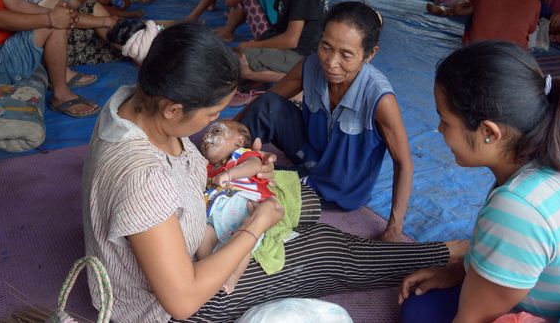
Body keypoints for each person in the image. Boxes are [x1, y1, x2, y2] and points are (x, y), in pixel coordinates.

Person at [82, 22, 465, 323]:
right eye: (213, 115)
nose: (215, 124)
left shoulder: (129, 101)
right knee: (321, 251)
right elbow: (182, 302)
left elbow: (189, 174)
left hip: (194, 232)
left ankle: (273, 220)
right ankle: (450, 253)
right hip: (171, 310)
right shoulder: (142, 180)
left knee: (301, 199)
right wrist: (256, 226)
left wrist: (240, 172)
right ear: (172, 108)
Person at [399, 41, 560, 322]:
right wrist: (461, 270)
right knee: (423, 304)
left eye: (445, 121)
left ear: (488, 132)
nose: (438, 130)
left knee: (421, 314)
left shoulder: (518, 208)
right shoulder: (553, 162)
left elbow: (471, 319)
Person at [240, 1, 412, 241]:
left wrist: (394, 228)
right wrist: (231, 130)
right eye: (326, 47)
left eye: (346, 55)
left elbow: (403, 163)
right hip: (310, 154)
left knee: (257, 200)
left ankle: (289, 181)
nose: (331, 62)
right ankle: (233, 160)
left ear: (370, 54)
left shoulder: (380, 99)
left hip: (339, 186)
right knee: (268, 104)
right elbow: (268, 103)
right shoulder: (310, 66)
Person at [198, 120, 275, 294]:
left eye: (216, 131)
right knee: (202, 234)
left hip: (242, 217)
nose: (207, 137)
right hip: (214, 220)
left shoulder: (242, 155)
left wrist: (230, 174)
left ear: (239, 141)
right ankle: (207, 267)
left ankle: (232, 277)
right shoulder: (208, 167)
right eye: (205, 134)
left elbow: (254, 166)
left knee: (243, 242)